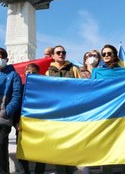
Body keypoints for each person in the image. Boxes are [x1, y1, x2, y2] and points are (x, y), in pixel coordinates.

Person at [46, 45, 80, 174]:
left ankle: (71, 170)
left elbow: (83, 88)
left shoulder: (74, 69)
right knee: (58, 145)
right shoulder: (48, 73)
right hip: (56, 114)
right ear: (53, 56)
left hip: (72, 113)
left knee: (71, 144)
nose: (61, 54)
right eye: (58, 52)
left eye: (63, 52)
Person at [16, 63, 46, 174]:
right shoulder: (21, 88)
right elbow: (16, 106)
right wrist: (16, 123)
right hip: (23, 125)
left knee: (41, 152)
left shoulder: (43, 90)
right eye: (29, 73)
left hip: (40, 126)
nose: (31, 74)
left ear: (39, 74)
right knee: (23, 152)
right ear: (25, 73)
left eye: (34, 73)